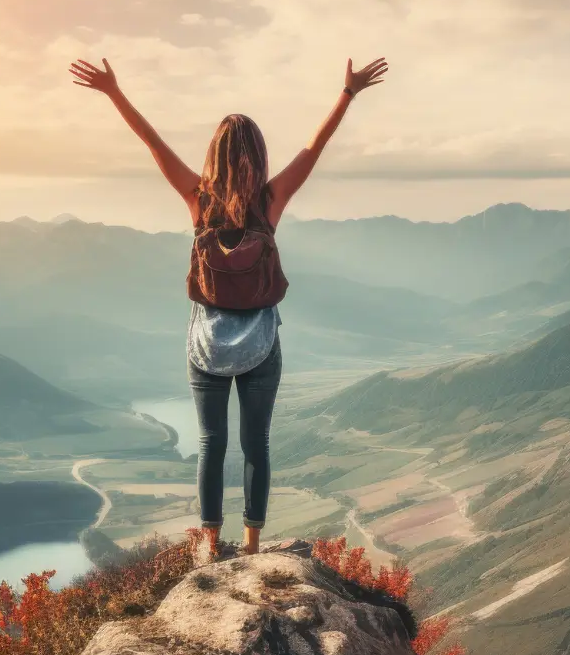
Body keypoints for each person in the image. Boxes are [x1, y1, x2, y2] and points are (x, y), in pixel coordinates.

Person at [69, 55, 388, 559]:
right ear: (259, 155)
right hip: (262, 344)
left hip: (206, 345)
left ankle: (211, 545)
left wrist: (113, 92)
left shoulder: (197, 199)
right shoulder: (271, 201)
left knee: (211, 443)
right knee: (255, 443)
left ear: (213, 153)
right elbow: (314, 149)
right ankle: (255, 545)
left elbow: (152, 141)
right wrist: (347, 93)